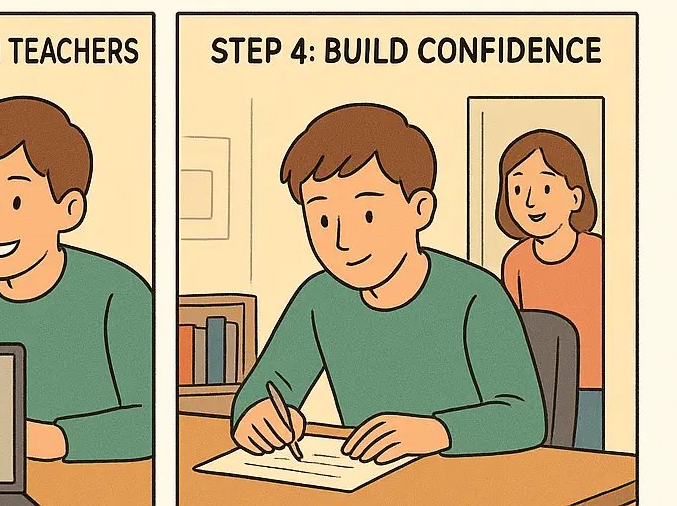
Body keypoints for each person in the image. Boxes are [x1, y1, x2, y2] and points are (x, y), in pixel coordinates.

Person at [233, 103, 545, 463]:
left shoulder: (476, 295)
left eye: (367, 214)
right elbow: (266, 387)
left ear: (420, 209)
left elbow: (525, 418)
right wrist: (256, 415)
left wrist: (437, 431)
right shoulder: (319, 297)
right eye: (321, 218)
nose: (342, 239)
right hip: (369, 484)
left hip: (472, 482)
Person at [0, 96, 151, 463]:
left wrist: (58, 440)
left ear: (69, 210)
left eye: (16, 201)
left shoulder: (119, 294)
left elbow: (155, 418)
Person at [497, 130, 604, 450]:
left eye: (545, 187)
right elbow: (515, 331)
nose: (530, 201)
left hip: (592, 388)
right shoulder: (515, 260)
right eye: (517, 188)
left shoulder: (599, 254)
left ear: (575, 197)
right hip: (541, 388)